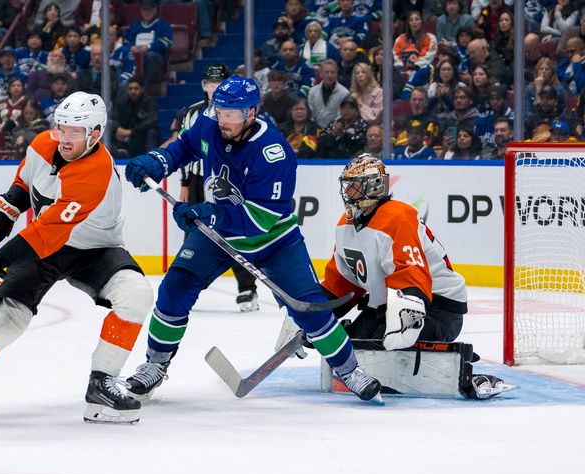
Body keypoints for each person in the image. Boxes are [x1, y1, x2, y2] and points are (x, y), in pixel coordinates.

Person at [122, 75, 382, 403]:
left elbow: (261, 219)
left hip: (275, 242)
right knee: (173, 291)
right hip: (217, 235)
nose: (222, 120)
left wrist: (207, 213)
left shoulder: (273, 153)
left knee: (310, 310)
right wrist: (158, 161)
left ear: (251, 114)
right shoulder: (210, 124)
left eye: (231, 115)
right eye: (219, 111)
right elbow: (186, 145)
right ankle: (155, 365)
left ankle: (349, 370)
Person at [0, 92, 153, 425]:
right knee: (8, 318)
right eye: (62, 128)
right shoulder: (43, 144)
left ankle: (101, 387)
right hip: (47, 245)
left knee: (137, 295)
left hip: (94, 249)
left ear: (96, 133)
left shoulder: (95, 172)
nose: (65, 138)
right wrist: (7, 207)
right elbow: (25, 184)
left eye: (76, 131)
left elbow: (47, 233)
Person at [322, 154, 467, 350]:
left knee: (383, 346)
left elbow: (411, 273)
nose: (347, 191)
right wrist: (319, 314)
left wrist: (407, 314)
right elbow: (344, 280)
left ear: (374, 185)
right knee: (350, 345)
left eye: (354, 184)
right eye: (347, 184)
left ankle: (459, 374)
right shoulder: (345, 224)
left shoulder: (398, 217)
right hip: (388, 303)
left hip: (437, 306)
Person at [168, 63, 260, 312]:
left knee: (234, 233)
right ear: (204, 86)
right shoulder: (192, 113)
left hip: (227, 181)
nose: (215, 89)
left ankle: (247, 288)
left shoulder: (239, 112)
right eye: (211, 85)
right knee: (194, 233)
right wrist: (185, 183)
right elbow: (185, 149)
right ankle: (187, 286)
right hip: (198, 180)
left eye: (220, 85)